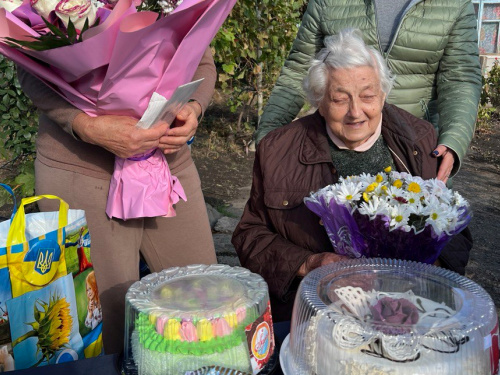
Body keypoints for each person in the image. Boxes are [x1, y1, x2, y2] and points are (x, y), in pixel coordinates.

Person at [232, 29, 473, 322]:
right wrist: (311, 264)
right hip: (315, 309)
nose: (356, 112)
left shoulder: (419, 140)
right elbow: (250, 235)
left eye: (368, 96)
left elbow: (453, 226)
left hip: (406, 308)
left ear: (383, 94)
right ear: (319, 100)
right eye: (339, 99)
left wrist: (426, 266)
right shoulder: (278, 149)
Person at [17, 47, 218, 354]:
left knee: (206, 305)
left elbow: (200, 56)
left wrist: (193, 106)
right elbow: (30, 64)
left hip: (166, 163)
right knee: (108, 329)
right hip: (82, 169)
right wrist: (85, 126)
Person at [255, 0, 482, 184]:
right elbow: (299, 69)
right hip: (338, 145)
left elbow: (460, 79)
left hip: (414, 148)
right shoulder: (326, 3)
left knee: (417, 230)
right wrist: (268, 137)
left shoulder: (454, 5)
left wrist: (453, 141)